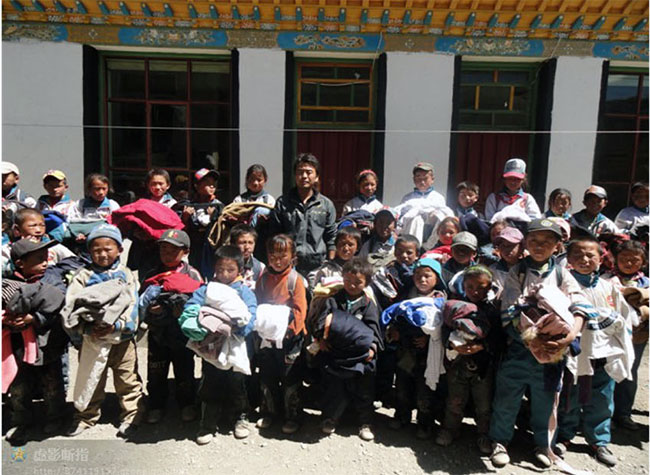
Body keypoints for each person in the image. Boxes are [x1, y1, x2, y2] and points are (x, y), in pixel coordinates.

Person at [489, 218, 589, 469]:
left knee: (546, 401)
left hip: (553, 352)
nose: (539, 246)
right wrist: (533, 339)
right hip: (520, 349)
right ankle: (500, 441)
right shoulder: (517, 272)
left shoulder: (562, 274)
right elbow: (510, 311)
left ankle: (543, 444)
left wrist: (569, 336)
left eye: (547, 241)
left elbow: (580, 306)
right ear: (526, 243)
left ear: (557, 245)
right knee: (507, 398)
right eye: (534, 240)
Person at [556, 236, 636, 467]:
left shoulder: (608, 287)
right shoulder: (563, 286)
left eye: (590, 255)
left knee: (601, 398)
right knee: (570, 397)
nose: (584, 259)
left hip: (602, 354)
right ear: (569, 259)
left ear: (601, 259)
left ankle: (598, 441)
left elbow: (625, 318)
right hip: (574, 354)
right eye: (578, 255)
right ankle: (565, 436)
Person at [62, 224, 144, 439]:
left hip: (122, 339)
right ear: (89, 252)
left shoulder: (126, 275)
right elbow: (71, 304)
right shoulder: (83, 275)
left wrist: (119, 325)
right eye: (96, 250)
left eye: (108, 248)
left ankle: (131, 415)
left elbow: (133, 304)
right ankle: (85, 416)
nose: (103, 254)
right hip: (92, 337)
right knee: (91, 377)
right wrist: (85, 328)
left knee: (127, 378)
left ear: (119, 249)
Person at [180, 245, 257, 445]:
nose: (224, 274)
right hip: (211, 346)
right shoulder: (207, 289)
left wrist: (239, 329)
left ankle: (240, 417)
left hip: (235, 346)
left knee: (237, 382)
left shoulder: (244, 292)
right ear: (214, 268)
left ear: (239, 270)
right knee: (210, 383)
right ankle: (207, 423)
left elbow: (251, 314)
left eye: (230, 270)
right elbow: (192, 305)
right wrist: (195, 323)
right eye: (220, 269)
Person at [3, 238, 68, 445]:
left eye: (45, 258)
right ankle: (21, 420)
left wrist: (34, 318)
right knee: (19, 386)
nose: (44, 262)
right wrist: (7, 319)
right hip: (17, 345)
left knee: (51, 383)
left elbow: (59, 305)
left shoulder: (52, 280)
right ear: (20, 263)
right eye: (38, 259)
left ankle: (55, 417)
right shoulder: (7, 283)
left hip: (47, 343)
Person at [436, 266, 502, 455]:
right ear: (463, 285)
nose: (475, 291)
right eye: (470, 286)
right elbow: (444, 329)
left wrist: (480, 346)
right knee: (455, 400)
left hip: (482, 367)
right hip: (457, 364)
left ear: (489, 287)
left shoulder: (492, 310)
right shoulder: (455, 307)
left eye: (481, 287)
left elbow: (498, 338)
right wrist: (453, 345)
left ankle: (484, 434)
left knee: (484, 404)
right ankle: (450, 429)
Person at [139, 229, 202, 426]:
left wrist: (182, 309)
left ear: (185, 252)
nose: (167, 255)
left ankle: (187, 404)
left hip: (182, 332)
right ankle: (156, 405)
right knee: (156, 370)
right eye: (163, 250)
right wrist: (152, 311)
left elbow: (200, 301)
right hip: (157, 332)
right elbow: (140, 302)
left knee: (184, 369)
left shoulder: (192, 274)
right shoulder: (152, 273)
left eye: (173, 251)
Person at [317, 257, 383, 441]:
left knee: (364, 389)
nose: (352, 285)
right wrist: (321, 339)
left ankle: (365, 422)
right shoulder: (333, 300)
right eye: (347, 280)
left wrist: (372, 348)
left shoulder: (368, 304)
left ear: (366, 283)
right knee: (335, 388)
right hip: (337, 352)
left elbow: (374, 329)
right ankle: (331, 418)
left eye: (357, 282)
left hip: (360, 355)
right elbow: (322, 321)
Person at [386, 257, 445, 439]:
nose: (422, 279)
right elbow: (397, 316)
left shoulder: (440, 299)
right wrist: (395, 331)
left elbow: (441, 325)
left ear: (437, 279)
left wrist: (429, 338)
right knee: (402, 386)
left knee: (424, 390)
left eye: (427, 276)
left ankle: (424, 423)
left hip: (427, 354)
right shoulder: (407, 296)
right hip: (405, 349)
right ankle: (402, 416)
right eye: (418, 275)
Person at [254, 234, 308, 434]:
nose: (277, 261)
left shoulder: (295, 280)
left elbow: (300, 311)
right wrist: (262, 330)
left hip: (289, 339)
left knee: (290, 378)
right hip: (266, 338)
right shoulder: (263, 279)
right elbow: (257, 304)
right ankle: (269, 412)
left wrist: (288, 332)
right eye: (273, 256)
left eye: (283, 256)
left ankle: (293, 416)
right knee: (267, 375)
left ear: (292, 256)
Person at [604, 239, 649, 430]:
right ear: (615, 259)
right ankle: (605, 415)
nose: (629, 263)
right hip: (609, 334)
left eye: (635, 259)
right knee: (607, 371)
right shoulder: (605, 279)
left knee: (630, 370)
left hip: (637, 336)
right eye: (624, 258)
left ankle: (623, 414)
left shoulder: (646, 283)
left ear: (643, 262)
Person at [268, 154, 337, 276]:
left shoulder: (326, 205)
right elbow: (275, 235)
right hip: (290, 265)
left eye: (309, 172)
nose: (304, 176)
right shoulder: (283, 203)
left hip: (318, 265)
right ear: (295, 176)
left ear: (316, 176)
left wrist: (330, 265)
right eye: (300, 172)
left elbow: (331, 238)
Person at [178, 168, 224, 273]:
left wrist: (214, 218)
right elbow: (182, 230)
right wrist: (185, 217)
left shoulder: (218, 206)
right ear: (197, 186)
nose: (212, 186)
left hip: (211, 249)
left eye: (214, 183)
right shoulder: (188, 205)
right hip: (194, 248)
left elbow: (222, 230)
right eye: (207, 183)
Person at [229, 224, 265, 290]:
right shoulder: (225, 265)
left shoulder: (259, 267)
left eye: (250, 243)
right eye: (242, 243)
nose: (247, 247)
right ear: (233, 244)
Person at [488, 227, 525, 293]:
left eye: (510, 245)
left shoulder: (528, 269)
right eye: (503, 245)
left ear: (521, 247)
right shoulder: (493, 270)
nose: (506, 250)